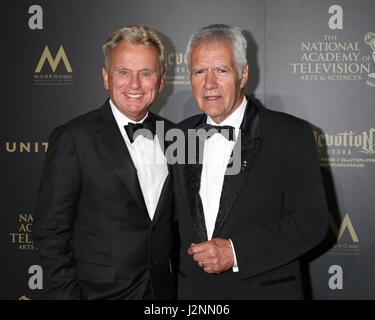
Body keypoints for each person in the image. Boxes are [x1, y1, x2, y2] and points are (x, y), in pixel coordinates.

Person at [173, 24, 329, 299]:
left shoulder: (290, 135)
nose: (209, 83)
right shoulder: (180, 135)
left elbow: (311, 222)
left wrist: (235, 252)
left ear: (243, 74)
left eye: (221, 70)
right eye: (199, 72)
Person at [32, 25, 177, 300]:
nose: (134, 84)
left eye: (145, 73)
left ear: (160, 81)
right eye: (124, 72)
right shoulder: (74, 138)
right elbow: (50, 234)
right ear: (106, 78)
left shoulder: (174, 136)